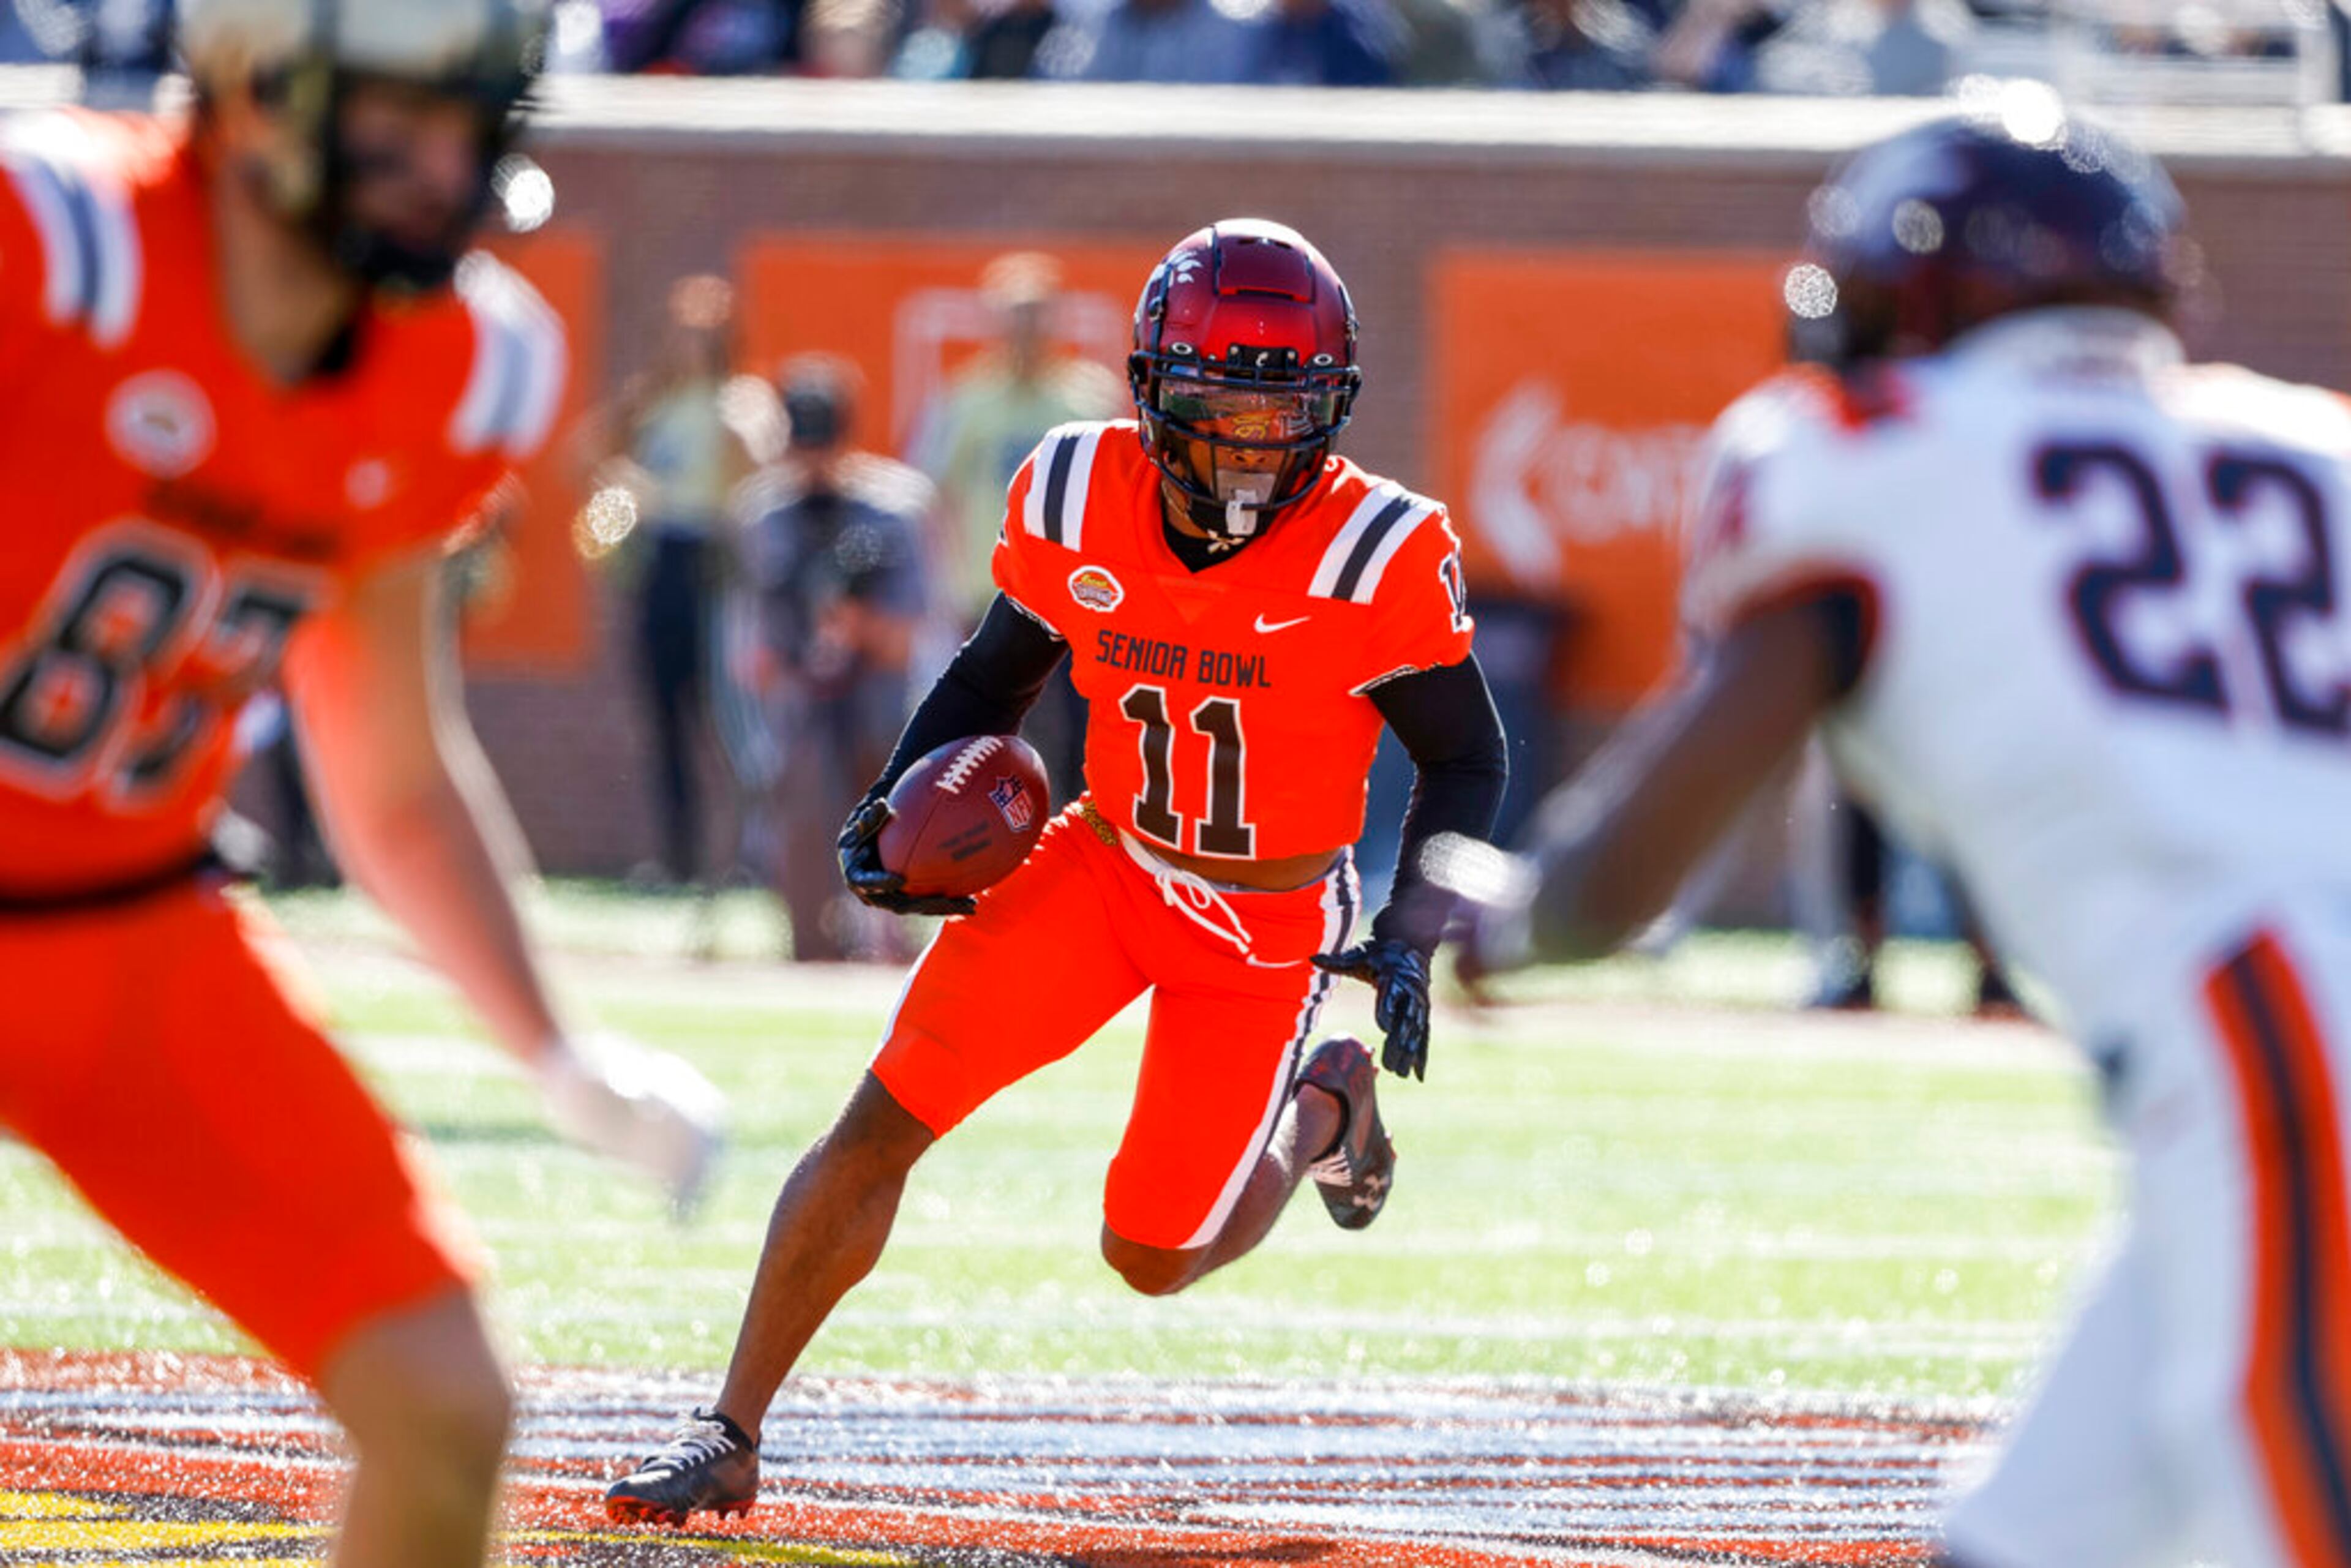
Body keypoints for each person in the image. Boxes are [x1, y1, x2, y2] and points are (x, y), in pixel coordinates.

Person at [1449, 88, 2351, 1568]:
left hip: (2274, 1027)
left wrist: (1498, 915)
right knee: (2024, 1534)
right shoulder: (2307, 444)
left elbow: (1622, 877)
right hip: (2235, 1078)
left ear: (1901, 298)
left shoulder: (1866, 446)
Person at [604, 219, 1509, 1526]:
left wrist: (1414, 933)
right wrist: (894, 798)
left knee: (1150, 1251)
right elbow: (993, 677)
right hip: (1104, 855)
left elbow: (1467, 761)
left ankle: (1322, 1110)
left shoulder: (1378, 549)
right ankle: (729, 1425)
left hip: (1265, 919)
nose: (1253, 440)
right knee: (881, 1118)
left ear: (1330, 410)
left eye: (1281, 412)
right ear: (1150, 389)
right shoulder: (1079, 489)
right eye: (1220, 405)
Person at [0, 3, 724, 1564]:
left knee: (443, 1396)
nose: (444, 167)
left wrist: (553, 1046)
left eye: (476, 122)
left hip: (127, 925)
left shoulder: (460, 360)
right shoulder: (57, 243)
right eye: (406, 115)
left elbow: (390, 764)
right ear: (257, 93)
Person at [907, 250, 1122, 806]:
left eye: (1037, 316)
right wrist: (945, 586)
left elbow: (1117, 499)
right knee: (984, 734)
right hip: (990, 593)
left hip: (1075, 599)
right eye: (1015, 317)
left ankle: (1076, 850)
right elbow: (932, 495)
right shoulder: (966, 399)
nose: (1026, 331)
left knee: (1078, 737)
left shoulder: (1086, 399)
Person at [738, 357, 932, 961]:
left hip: (877, 692)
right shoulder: (762, 514)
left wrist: (853, 626)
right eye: (802, 444)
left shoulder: (895, 508)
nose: (813, 461)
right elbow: (756, 639)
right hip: (800, 697)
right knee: (800, 801)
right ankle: (809, 949)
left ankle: (890, 943)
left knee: (893, 821)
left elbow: (908, 632)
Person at [574, 274, 759, 887]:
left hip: (709, 560)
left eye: (704, 333)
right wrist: (621, 475)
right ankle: (676, 858)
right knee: (664, 716)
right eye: (682, 331)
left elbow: (754, 478)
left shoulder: (741, 402)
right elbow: (581, 455)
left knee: (724, 717)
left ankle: (741, 855)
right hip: (655, 558)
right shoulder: (653, 402)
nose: (690, 345)